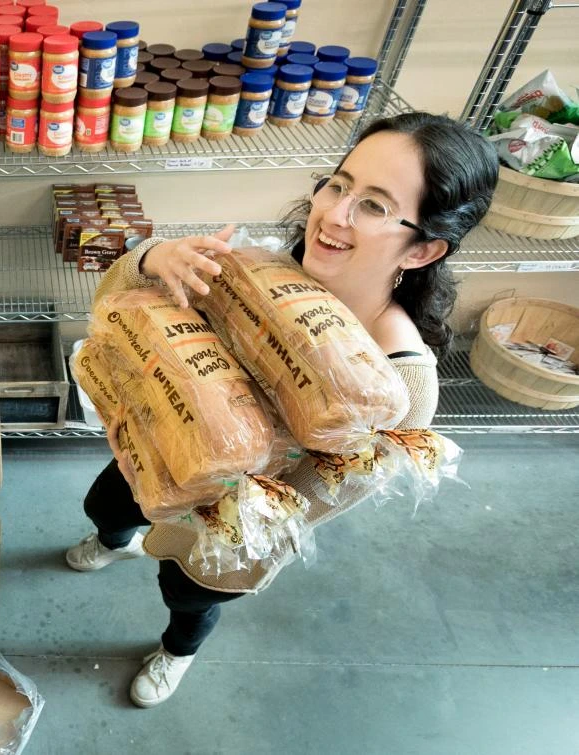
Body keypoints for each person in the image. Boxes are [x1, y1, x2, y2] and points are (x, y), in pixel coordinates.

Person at [65, 112, 499, 708]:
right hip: (148, 452)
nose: (334, 214)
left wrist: (225, 460)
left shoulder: (400, 383)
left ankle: (177, 652)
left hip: (221, 530)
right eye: (339, 185)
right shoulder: (262, 269)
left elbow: (315, 501)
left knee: (188, 595)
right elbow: (116, 312)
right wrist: (153, 259)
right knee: (105, 506)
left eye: (374, 206)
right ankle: (113, 540)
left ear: (423, 249)